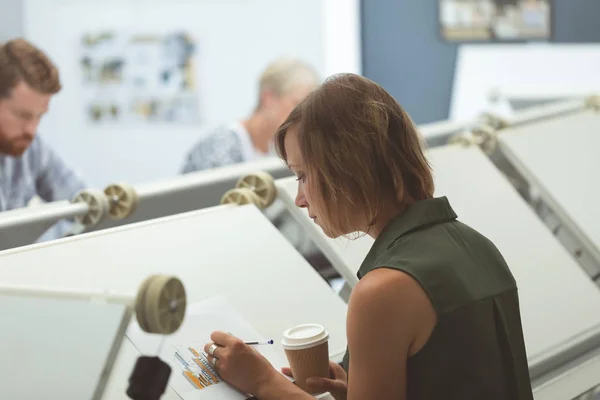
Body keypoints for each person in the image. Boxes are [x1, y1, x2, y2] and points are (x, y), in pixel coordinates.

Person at [200, 74, 534, 399]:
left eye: (303, 176)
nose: (300, 199)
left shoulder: (382, 291)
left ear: (346, 167)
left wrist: (263, 382)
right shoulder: (479, 247)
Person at [0, 38, 85, 233]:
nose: (31, 130)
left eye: (39, 117)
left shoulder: (32, 148)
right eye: (23, 115)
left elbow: (81, 200)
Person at [180, 57, 319, 173]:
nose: (304, 116)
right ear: (268, 98)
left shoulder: (282, 149)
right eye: (296, 104)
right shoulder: (218, 150)